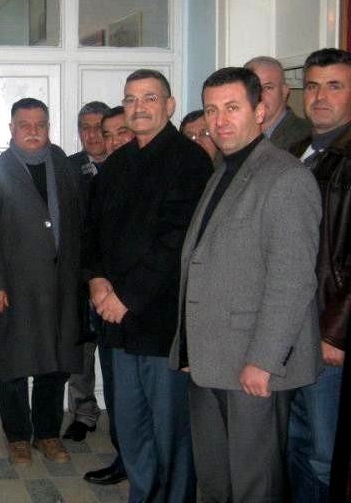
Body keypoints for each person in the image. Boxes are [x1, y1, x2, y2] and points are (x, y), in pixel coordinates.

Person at [169, 66, 321, 502]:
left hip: (252, 366)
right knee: (217, 480)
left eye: (232, 108)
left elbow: (292, 280)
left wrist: (264, 361)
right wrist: (188, 348)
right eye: (212, 110)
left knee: (256, 486)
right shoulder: (224, 169)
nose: (219, 120)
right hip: (210, 359)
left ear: (260, 110)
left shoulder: (285, 177)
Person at [84, 70, 212, 502]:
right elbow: (92, 231)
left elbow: (175, 242)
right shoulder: (117, 162)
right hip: (116, 321)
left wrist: (126, 297)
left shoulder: (190, 161)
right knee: (131, 426)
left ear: (169, 105)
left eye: (150, 98)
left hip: (161, 324)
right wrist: (96, 280)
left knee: (169, 431)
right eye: (131, 99)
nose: (138, 107)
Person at [0, 98, 83, 466]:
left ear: (48, 127)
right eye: (25, 125)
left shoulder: (65, 167)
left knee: (56, 363)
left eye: (40, 124)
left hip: (61, 286)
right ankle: (18, 436)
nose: (33, 131)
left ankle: (47, 434)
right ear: (12, 129)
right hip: (13, 288)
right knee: (14, 364)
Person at [288, 48, 351, 502]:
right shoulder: (296, 153)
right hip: (289, 326)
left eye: (334, 86)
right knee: (294, 440)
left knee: (324, 453)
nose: (320, 96)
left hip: (327, 331)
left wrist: (336, 331)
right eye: (312, 86)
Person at [82, 104, 133, 487]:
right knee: (117, 390)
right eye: (108, 134)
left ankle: (135, 462)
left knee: (134, 396)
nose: (113, 141)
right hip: (105, 302)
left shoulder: (152, 173)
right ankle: (125, 458)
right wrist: (96, 282)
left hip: (137, 306)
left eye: (121, 133)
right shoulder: (110, 177)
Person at [63, 101, 109, 442]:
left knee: (117, 353)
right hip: (78, 277)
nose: (92, 135)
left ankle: (125, 415)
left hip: (118, 279)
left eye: (98, 127)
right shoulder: (67, 168)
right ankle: (83, 413)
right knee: (80, 351)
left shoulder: (127, 163)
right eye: (85, 128)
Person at [245, 55, 311, 149]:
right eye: (253, 88)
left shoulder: (306, 137)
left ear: (284, 92)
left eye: (268, 87)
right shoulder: (233, 133)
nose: (260, 95)